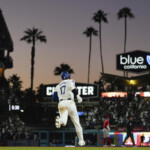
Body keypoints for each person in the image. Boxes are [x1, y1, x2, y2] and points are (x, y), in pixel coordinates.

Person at [52, 71, 85, 146]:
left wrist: (61, 98)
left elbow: (54, 98)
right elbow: (74, 89)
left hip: (61, 103)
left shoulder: (58, 86)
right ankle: (81, 141)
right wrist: (78, 96)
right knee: (77, 123)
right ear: (68, 76)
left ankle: (59, 120)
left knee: (64, 122)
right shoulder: (70, 81)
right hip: (70, 102)